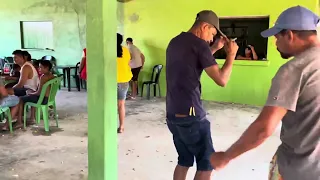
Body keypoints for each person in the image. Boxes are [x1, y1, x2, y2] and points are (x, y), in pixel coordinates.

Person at [210, 6, 320, 180]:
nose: (275, 43)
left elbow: (264, 128)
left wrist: (226, 157)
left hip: (298, 169)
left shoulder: (294, 70)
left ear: (290, 35)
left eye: (276, 37)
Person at [166, 10, 238, 180]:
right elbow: (222, 80)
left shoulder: (175, 42)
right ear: (204, 26)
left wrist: (214, 48)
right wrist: (231, 54)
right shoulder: (200, 45)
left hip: (173, 115)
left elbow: (194, 60)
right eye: (212, 33)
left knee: (184, 160)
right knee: (207, 164)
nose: (211, 39)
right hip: (191, 116)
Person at [17, 60, 55, 127]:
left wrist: (31, 94)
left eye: (40, 67)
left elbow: (38, 93)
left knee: (21, 99)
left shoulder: (43, 77)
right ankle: (32, 118)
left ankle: (19, 122)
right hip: (48, 99)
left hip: (42, 99)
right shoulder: (52, 76)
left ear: (46, 68)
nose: (38, 69)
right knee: (31, 95)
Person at [117, 33, 132, 133]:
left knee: (108, 104)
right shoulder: (126, 50)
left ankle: (107, 125)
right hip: (124, 80)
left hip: (110, 80)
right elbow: (128, 63)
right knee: (121, 104)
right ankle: (121, 127)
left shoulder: (107, 51)